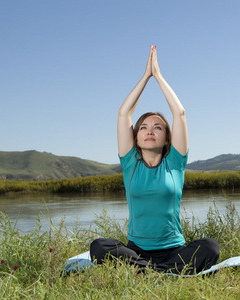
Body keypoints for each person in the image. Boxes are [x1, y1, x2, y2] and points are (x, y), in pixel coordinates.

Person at [89, 45, 219, 274]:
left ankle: (148, 271)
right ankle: (163, 271)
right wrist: (145, 77)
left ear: (167, 138)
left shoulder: (175, 164)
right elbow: (123, 114)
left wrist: (158, 76)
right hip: (136, 249)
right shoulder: (130, 163)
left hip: (174, 249)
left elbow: (179, 113)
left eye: (157, 127)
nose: (150, 131)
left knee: (210, 247)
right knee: (99, 247)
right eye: (144, 128)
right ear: (136, 137)